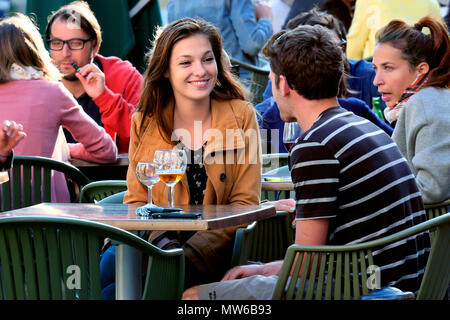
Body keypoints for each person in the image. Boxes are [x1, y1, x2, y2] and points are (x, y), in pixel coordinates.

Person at [183, 24, 430, 300]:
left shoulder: (315, 144)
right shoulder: (361, 126)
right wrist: (265, 270)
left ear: (284, 84)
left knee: (195, 298)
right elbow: (316, 259)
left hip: (363, 291)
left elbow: (307, 264)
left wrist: (265, 270)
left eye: (272, 80)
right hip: (402, 284)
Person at [99, 17, 293, 300]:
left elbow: (244, 206)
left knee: (122, 289)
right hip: (151, 242)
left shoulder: (240, 115)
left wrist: (181, 256)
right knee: (101, 279)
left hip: (207, 251)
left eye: (207, 59)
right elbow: (138, 201)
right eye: (186, 62)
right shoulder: (146, 119)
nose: (200, 71)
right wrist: (156, 244)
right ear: (165, 70)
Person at [0, 14, 117, 202]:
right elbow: (107, 151)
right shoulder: (52, 91)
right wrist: (68, 151)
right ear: (35, 50)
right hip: (49, 222)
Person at [257, 8, 392, 153]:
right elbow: (258, 126)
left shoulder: (358, 101)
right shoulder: (278, 100)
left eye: (333, 48)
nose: (326, 57)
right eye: (312, 54)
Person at [45, 1, 143, 154]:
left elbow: (147, 134)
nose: (65, 53)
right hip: (56, 177)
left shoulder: (125, 76)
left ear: (95, 46)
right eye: (57, 43)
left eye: (75, 43)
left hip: (115, 176)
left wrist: (103, 96)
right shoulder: (39, 82)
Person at [372, 16, 450, 204]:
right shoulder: (430, 98)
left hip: (425, 231)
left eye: (388, 68)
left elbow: (431, 189)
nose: (377, 80)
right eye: (375, 69)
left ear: (420, 70)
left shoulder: (424, 103)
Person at [167, 0, 273, 81]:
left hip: (194, 82)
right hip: (236, 82)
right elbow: (252, 44)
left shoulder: (174, 2)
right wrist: (265, 19)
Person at [346, 0, 443, 60]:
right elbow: (441, 46)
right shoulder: (431, 3)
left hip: (377, 76)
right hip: (419, 79)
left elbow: (355, 44)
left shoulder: (370, 1)